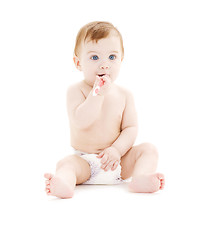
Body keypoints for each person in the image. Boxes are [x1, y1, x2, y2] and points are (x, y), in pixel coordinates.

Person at [44, 21, 165, 198]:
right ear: (78, 63)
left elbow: (130, 129)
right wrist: (97, 94)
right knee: (66, 164)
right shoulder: (76, 91)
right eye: (94, 57)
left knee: (149, 150)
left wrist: (116, 150)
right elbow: (81, 121)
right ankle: (64, 184)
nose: (104, 65)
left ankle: (140, 178)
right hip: (85, 162)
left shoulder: (125, 95)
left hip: (118, 162)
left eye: (112, 57)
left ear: (121, 60)